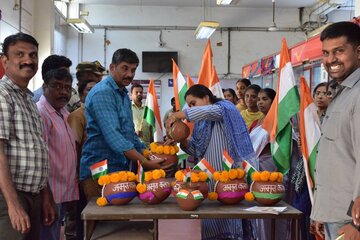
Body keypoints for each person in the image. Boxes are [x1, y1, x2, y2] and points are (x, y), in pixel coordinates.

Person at [166, 84, 257, 240]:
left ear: (207, 98)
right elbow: (196, 150)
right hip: (209, 179)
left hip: (229, 177)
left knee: (230, 221)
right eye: (189, 106)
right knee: (211, 222)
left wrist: (178, 114)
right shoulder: (201, 124)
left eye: (193, 103)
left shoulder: (224, 108)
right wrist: (183, 142)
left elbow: (209, 111)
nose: (191, 108)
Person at [80, 48, 172, 202]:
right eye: (125, 68)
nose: (129, 74)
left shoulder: (122, 93)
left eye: (133, 70)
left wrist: (150, 154)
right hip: (100, 170)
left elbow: (129, 135)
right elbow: (114, 137)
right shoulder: (103, 93)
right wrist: (144, 162)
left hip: (119, 168)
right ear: (112, 68)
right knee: (99, 220)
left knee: (118, 220)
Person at [0, 32, 56, 240]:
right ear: (5, 61)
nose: (28, 60)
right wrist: (13, 205)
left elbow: (37, 150)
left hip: (32, 195)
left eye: (33, 55)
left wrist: (46, 195)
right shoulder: (3, 95)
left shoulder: (28, 100)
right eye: (20, 54)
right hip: (9, 196)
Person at [311, 21, 360, 240]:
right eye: (326, 53)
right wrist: (322, 211)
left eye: (339, 51)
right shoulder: (341, 93)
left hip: (350, 219)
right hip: (336, 214)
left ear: (358, 51)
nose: (331, 60)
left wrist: (357, 226)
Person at [37, 68, 78, 240]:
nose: (63, 92)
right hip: (50, 194)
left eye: (67, 88)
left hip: (62, 191)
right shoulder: (41, 113)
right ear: (45, 86)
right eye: (57, 86)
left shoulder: (63, 113)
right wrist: (47, 197)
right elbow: (39, 158)